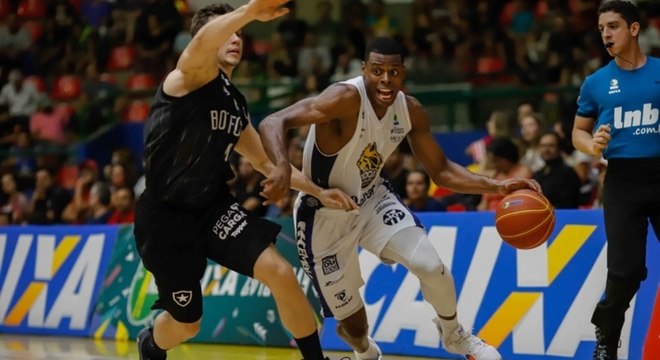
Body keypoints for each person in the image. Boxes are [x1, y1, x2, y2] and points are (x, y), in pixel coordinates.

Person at [258, 37, 540, 360]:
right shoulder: (344, 98)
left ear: (404, 72)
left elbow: (442, 170)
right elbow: (272, 121)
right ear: (364, 69)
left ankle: (455, 335)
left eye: (394, 71)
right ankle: (364, 350)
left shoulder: (411, 111)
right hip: (322, 214)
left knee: (431, 266)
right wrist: (282, 167)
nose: (386, 79)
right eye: (377, 70)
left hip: (372, 198)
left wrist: (497, 186)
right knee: (354, 326)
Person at [132, 2, 357, 360]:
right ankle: (151, 343)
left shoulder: (234, 104)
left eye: (240, 34)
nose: (236, 38)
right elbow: (206, 39)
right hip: (165, 217)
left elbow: (265, 162)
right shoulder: (185, 77)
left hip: (212, 208)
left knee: (281, 272)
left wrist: (318, 191)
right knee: (187, 324)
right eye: (228, 32)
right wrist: (251, 9)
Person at [570, 1, 660, 359]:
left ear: (634, 29)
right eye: (602, 27)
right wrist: (591, 145)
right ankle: (606, 338)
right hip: (623, 181)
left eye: (613, 26)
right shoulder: (596, 83)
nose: (606, 33)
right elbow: (577, 131)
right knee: (625, 271)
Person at [533, 132, 581, 209]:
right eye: (542, 146)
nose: (546, 150)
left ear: (559, 148)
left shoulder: (568, 173)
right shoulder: (537, 174)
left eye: (551, 146)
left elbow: (569, 203)